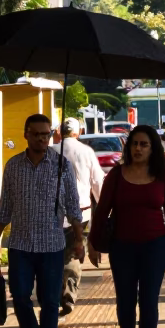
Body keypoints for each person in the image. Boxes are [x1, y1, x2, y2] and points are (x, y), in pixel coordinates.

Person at [89, 125, 165, 328]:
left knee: (148, 301)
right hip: (122, 247)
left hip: (155, 246)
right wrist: (93, 243)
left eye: (144, 144)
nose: (138, 148)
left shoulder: (163, 176)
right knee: (125, 301)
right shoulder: (116, 176)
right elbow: (101, 212)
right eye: (135, 144)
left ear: (153, 147)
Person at [0, 114, 83, 328]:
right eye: (37, 134)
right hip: (20, 245)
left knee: (50, 301)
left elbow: (73, 206)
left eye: (47, 134)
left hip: (52, 245)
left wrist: (79, 240)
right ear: (26, 134)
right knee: (19, 296)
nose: (43, 138)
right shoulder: (14, 165)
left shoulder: (62, 165)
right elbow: (5, 206)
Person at [57, 117, 105, 316]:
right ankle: (68, 294)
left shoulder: (52, 151)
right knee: (74, 252)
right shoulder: (86, 152)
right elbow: (97, 182)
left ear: (59, 132)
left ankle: (54, 292)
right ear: (79, 132)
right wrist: (104, 207)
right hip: (81, 211)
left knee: (55, 255)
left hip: (54, 213)